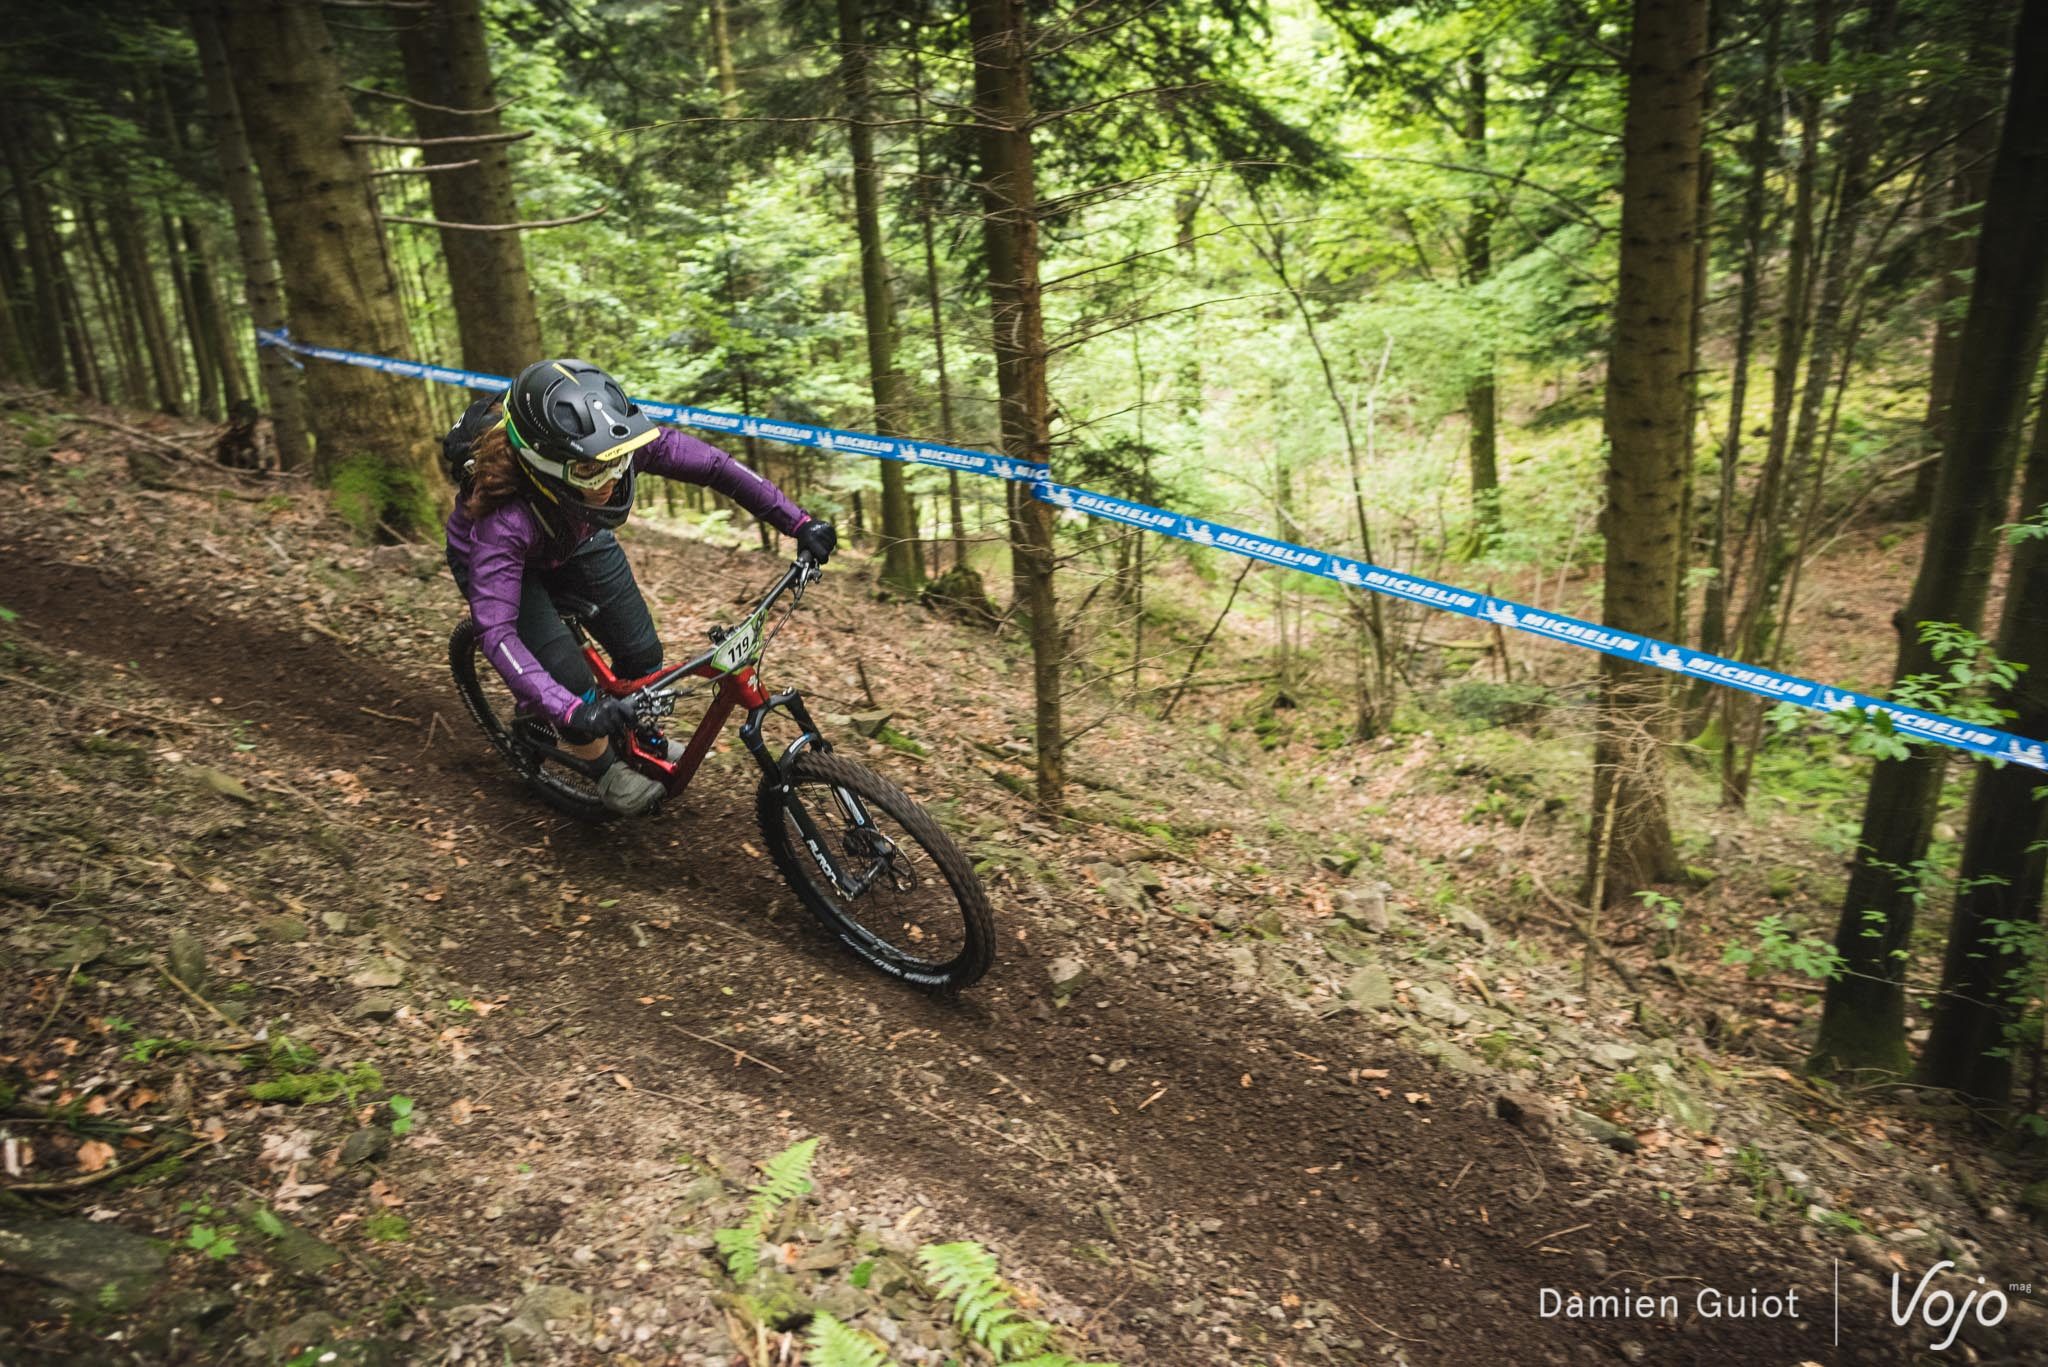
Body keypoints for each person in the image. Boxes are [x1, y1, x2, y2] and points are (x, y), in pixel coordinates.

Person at [444, 359, 836, 815]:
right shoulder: (500, 523)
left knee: (642, 653)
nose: (612, 480)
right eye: (592, 472)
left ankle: (638, 735)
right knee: (572, 684)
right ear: (543, 465)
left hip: (576, 535)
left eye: (617, 464)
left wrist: (799, 522)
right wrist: (574, 712)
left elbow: (716, 467)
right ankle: (604, 768)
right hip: (507, 563)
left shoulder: (613, 446)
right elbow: (497, 633)